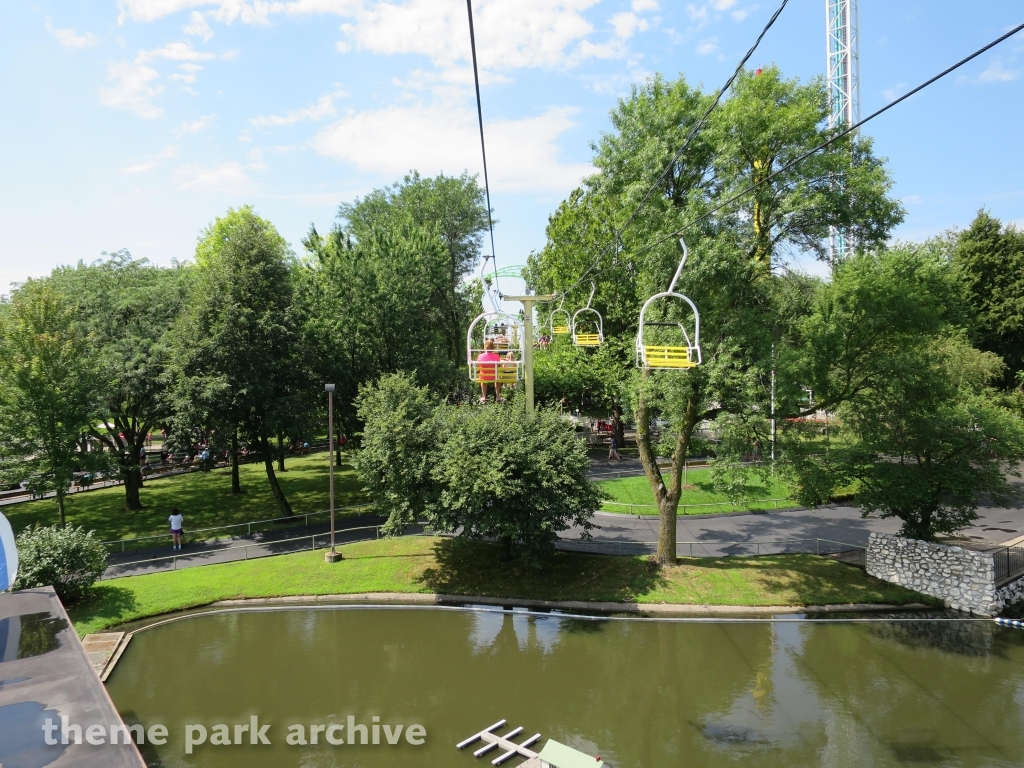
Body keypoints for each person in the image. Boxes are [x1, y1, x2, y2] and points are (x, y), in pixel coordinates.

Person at [476, 338, 502, 403]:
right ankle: (498, 396)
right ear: (493, 347)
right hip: (494, 377)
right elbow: (498, 365)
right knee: (497, 380)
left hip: (483, 377)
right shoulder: (496, 356)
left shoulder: (480, 356)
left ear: (485, 347)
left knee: (483, 380)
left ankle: (484, 396)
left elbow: (479, 365)